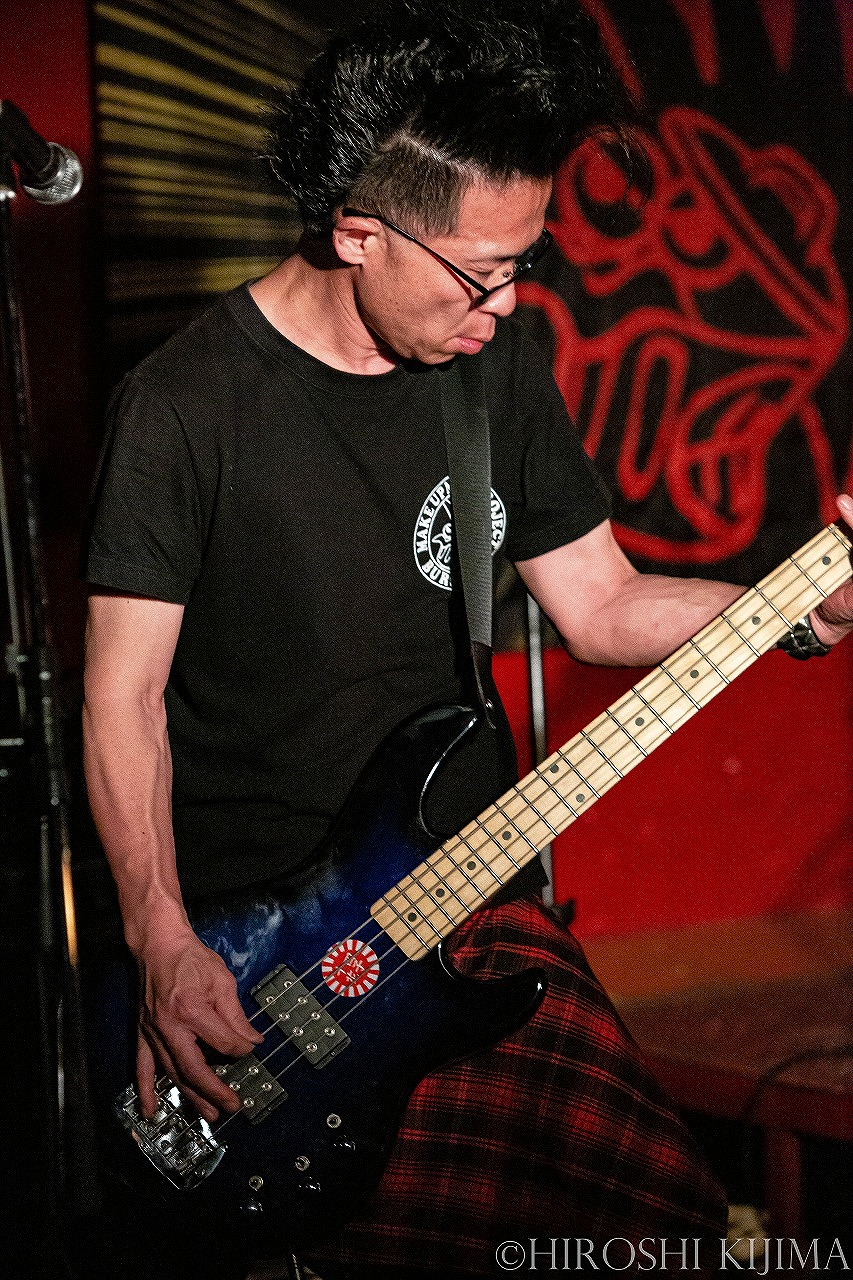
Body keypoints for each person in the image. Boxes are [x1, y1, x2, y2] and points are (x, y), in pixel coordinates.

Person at [81, 3, 853, 1278]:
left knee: (662, 1217)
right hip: (260, 956)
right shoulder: (181, 407)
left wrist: (793, 605)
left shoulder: (490, 367)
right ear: (357, 232)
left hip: (456, 903)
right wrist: (160, 936)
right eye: (480, 272)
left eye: (524, 263)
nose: (504, 302)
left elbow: (601, 603)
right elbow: (124, 698)